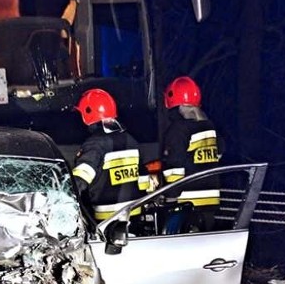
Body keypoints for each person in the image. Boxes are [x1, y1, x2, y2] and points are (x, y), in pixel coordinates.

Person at [72, 88, 149, 221]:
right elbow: (143, 181)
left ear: (88, 114)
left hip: (106, 221)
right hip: (135, 216)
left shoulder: (95, 144)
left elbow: (80, 180)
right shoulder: (131, 140)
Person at [160, 76, 223, 232]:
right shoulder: (210, 127)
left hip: (186, 204)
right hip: (210, 202)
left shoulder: (178, 130)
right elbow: (219, 154)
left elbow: (175, 167)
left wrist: (170, 197)